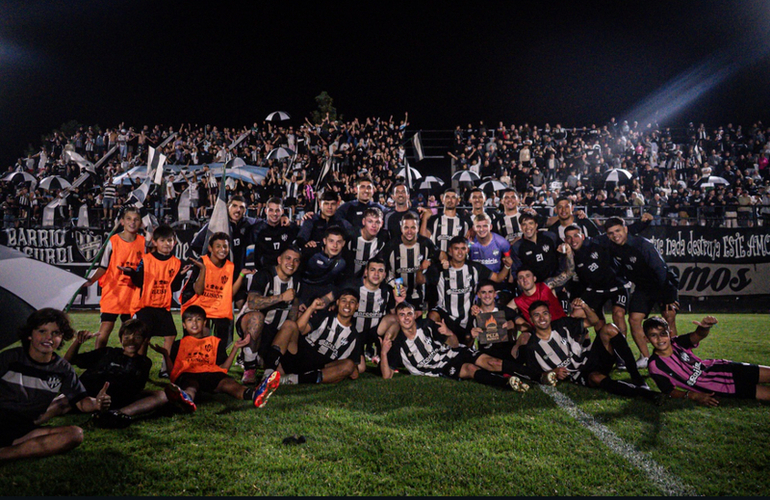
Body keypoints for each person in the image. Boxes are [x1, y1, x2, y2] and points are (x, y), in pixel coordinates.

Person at [0, 309, 111, 462]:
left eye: (56, 333)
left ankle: (5, 453)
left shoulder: (62, 369)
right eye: (42, 331)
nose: (48, 337)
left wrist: (97, 404)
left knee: (75, 434)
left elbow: (81, 402)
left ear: (62, 337)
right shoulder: (10, 358)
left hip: (25, 429)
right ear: (29, 334)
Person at [379, 302, 530, 392]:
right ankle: (507, 384)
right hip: (440, 369)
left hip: (452, 353)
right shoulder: (397, 344)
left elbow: (455, 344)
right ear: (397, 318)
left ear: (414, 315)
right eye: (402, 314)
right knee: (471, 370)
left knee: (493, 362)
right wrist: (384, 353)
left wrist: (448, 332)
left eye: (409, 314)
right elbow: (387, 376)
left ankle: (536, 376)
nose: (406, 318)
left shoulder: (426, 326)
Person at [151, 305, 280, 409]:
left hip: (210, 374)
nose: (194, 323)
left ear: (204, 322)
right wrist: (165, 355)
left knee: (228, 383)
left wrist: (235, 348)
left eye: (198, 319)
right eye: (190, 320)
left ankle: (255, 395)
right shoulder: (178, 344)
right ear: (184, 325)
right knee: (191, 385)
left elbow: (223, 368)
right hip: (189, 374)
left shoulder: (215, 342)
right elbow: (172, 372)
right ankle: (187, 399)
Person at [525, 300, 654, 396]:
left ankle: (636, 377)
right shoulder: (532, 347)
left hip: (591, 357)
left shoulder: (562, 324)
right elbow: (535, 375)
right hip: (580, 374)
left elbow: (594, 321)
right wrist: (553, 372)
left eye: (545, 313)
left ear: (550, 316)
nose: (542, 318)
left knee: (610, 328)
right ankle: (645, 394)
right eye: (536, 315)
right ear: (531, 319)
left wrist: (584, 306)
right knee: (596, 378)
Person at [63, 319, 173, 429]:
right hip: (89, 394)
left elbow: (135, 391)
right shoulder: (107, 353)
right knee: (63, 400)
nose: (132, 341)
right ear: (120, 340)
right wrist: (78, 342)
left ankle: (115, 414)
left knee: (161, 395)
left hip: (116, 400)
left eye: (137, 337)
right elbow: (68, 361)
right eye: (127, 338)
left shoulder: (144, 362)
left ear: (144, 340)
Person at [601, 217, 679, 369]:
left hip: (661, 284)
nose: (615, 235)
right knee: (634, 319)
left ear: (625, 229)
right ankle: (645, 357)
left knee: (669, 317)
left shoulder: (642, 245)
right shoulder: (612, 246)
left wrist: (669, 295)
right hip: (643, 288)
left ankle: (676, 355)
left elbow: (660, 270)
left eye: (618, 230)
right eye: (610, 233)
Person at [644, 316, 770, 406]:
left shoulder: (677, 343)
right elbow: (669, 391)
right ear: (647, 339)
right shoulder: (655, 365)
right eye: (653, 335)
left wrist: (704, 327)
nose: (660, 338)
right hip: (723, 387)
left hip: (724, 367)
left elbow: (698, 335)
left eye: (663, 333)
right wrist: (693, 395)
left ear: (670, 333)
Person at [120, 224, 189, 378]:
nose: (167, 244)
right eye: (163, 241)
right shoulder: (146, 259)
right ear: (155, 242)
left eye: (170, 240)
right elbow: (138, 281)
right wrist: (131, 273)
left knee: (171, 334)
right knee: (143, 338)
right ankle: (139, 368)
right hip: (145, 306)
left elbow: (175, 286)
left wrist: (180, 276)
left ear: (175, 243)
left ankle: (165, 369)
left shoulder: (176, 263)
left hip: (163, 306)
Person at [257, 289, 366, 386]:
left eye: (352, 302)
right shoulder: (325, 316)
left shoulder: (355, 337)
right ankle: (267, 375)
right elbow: (299, 329)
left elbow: (355, 372)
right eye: (344, 300)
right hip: (301, 353)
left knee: (349, 365)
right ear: (337, 302)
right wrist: (312, 308)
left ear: (357, 306)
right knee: (289, 325)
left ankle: (290, 380)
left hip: (320, 367)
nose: (347, 305)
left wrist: (348, 370)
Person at [235, 245, 302, 384]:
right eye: (288, 258)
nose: (291, 263)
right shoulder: (264, 275)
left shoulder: (296, 281)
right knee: (257, 317)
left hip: (273, 333)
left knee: (291, 325)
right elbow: (252, 303)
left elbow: (293, 309)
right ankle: (249, 367)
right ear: (279, 259)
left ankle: (268, 370)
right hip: (253, 325)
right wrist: (281, 297)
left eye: (296, 260)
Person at [428, 236, 510, 346]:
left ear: (467, 250)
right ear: (450, 251)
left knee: (466, 343)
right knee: (432, 316)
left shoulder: (475, 268)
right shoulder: (440, 268)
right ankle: (434, 349)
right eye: (456, 249)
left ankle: (474, 349)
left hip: (468, 316)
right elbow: (420, 280)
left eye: (463, 248)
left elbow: (498, 278)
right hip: (445, 314)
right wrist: (426, 268)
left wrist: (507, 266)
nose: (460, 252)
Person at [82, 207, 145, 349]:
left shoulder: (143, 242)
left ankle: (127, 362)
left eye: (136, 220)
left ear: (140, 223)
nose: (132, 222)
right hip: (113, 293)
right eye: (128, 219)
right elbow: (103, 267)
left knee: (130, 333)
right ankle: (97, 362)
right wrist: (91, 280)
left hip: (132, 295)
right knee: (104, 331)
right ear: (122, 221)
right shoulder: (113, 241)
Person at [181, 232, 251, 346]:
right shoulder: (202, 262)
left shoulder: (230, 266)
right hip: (199, 306)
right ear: (210, 248)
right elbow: (198, 291)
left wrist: (241, 276)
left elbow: (229, 294)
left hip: (218, 308)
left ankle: (219, 360)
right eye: (218, 246)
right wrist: (203, 270)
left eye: (225, 246)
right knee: (197, 342)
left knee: (220, 345)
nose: (222, 249)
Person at [379, 212, 439, 313]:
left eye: (413, 227)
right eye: (406, 227)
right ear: (401, 227)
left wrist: (432, 261)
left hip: (421, 295)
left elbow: (436, 260)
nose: (409, 231)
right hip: (397, 292)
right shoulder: (391, 246)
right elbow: (385, 270)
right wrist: (398, 289)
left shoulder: (426, 244)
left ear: (418, 227)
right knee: (398, 319)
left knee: (421, 321)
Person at [354, 257, 405, 360]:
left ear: (385, 275)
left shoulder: (387, 290)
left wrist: (398, 302)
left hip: (375, 331)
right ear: (366, 272)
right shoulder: (352, 286)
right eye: (372, 270)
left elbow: (394, 314)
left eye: (380, 270)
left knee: (396, 320)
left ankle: (384, 353)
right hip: (354, 333)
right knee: (360, 368)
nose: (376, 274)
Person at [250, 196, 299, 272]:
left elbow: (302, 233)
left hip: (285, 272)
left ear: (282, 211)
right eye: (271, 210)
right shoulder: (257, 229)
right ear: (266, 211)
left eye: (277, 210)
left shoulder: (289, 227)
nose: (274, 214)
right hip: (265, 272)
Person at [419, 188, 473, 254]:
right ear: (442, 200)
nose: (450, 200)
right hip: (437, 261)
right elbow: (423, 238)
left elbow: (468, 242)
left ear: (457, 201)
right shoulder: (434, 219)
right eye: (447, 197)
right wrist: (424, 219)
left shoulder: (464, 222)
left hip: (456, 261)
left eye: (453, 197)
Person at [344, 207, 388, 278]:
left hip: (369, 281)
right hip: (348, 279)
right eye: (370, 221)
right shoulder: (350, 236)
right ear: (363, 221)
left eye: (377, 222)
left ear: (382, 223)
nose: (374, 225)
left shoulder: (383, 238)